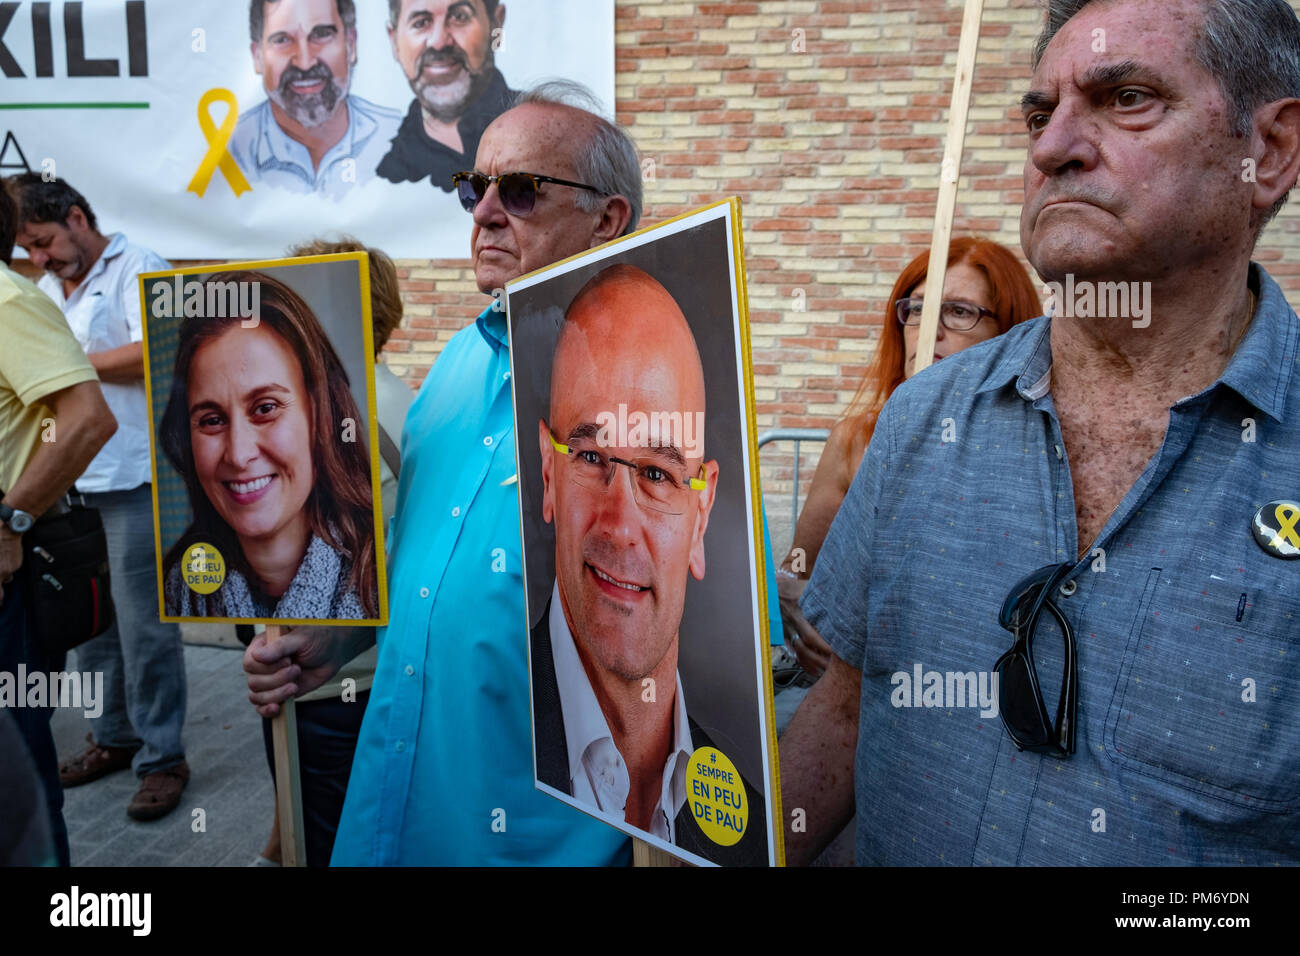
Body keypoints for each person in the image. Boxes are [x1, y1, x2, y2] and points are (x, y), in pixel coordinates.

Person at [781, 0, 1300, 866]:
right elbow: (846, 707)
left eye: (1127, 97)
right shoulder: (921, 421)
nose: (1052, 147)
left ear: (1270, 151)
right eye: (1038, 113)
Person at [245, 80, 642, 865]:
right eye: (475, 186)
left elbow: (703, 692)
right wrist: (335, 647)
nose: (485, 211)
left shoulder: (658, 403)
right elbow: (419, 575)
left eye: (522, 190)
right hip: (392, 826)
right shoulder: (459, 364)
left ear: (607, 220)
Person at [531, 264, 764, 864]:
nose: (620, 525)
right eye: (589, 456)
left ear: (702, 511)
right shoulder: (483, 739)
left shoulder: (751, 830)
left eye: (658, 474)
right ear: (548, 472)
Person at [5, 173, 192, 823]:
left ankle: (164, 757)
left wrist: (69, 366)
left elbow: (164, 349)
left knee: (146, 629)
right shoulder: (49, 286)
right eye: (28, 247)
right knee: (88, 628)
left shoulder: (141, 265)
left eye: (45, 242)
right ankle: (114, 737)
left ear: (79, 218)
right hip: (71, 488)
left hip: (136, 478)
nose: (38, 258)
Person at [778, 239, 1041, 678]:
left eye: (958, 311)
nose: (930, 330)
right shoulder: (856, 439)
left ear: (1008, 333)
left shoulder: (1032, 454)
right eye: (917, 309)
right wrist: (795, 609)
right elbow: (796, 569)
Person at [251, 236, 415, 867]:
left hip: (328, 682)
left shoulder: (322, 417)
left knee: (327, 839)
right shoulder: (408, 402)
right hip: (374, 673)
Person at [0, 184, 117, 862]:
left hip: (12, 584)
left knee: (16, 778)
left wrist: (9, 520)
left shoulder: (10, 303)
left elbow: (87, 417)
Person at [158, 270, 379, 620]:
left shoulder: (389, 567)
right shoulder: (177, 589)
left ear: (319, 414)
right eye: (212, 420)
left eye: (265, 409)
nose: (239, 454)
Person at [232, 0, 402, 198]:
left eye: (321, 35)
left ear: (351, 45)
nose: (305, 63)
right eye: (282, 40)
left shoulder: (403, 139)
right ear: (257, 57)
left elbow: (447, 189)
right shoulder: (226, 156)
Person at [376, 0, 514, 190]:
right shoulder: (386, 172)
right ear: (394, 41)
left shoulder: (543, 135)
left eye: (460, 17)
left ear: (496, 26)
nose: (439, 42)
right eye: (421, 23)